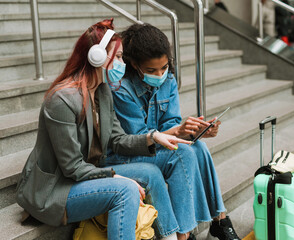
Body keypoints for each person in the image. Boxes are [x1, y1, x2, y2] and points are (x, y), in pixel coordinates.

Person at [15, 19, 190, 240]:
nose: (123, 63)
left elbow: (117, 139)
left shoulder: (103, 90)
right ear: (96, 57)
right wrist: (116, 177)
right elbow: (72, 167)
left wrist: (152, 137)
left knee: (152, 173)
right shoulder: (62, 100)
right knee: (125, 191)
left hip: (84, 177)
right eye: (117, 57)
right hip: (56, 190)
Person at [105, 23, 241, 240]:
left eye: (164, 67)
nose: (159, 74)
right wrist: (178, 132)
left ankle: (220, 220)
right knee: (183, 153)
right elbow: (137, 138)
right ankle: (184, 234)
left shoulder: (168, 79)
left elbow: (171, 123)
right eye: (151, 70)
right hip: (127, 153)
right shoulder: (122, 88)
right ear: (134, 64)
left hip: (156, 145)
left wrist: (194, 132)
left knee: (198, 146)